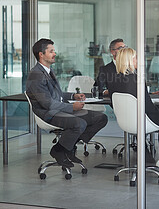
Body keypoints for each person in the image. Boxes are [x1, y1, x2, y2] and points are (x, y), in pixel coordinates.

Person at [26, 38, 108, 168]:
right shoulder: (36, 74)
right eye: (51, 51)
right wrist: (71, 107)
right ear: (41, 55)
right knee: (79, 123)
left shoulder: (48, 71)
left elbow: (56, 95)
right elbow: (47, 103)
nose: (55, 53)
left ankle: (68, 147)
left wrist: (73, 95)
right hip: (48, 113)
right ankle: (59, 150)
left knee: (100, 118)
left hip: (59, 109)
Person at [107, 47, 159, 174]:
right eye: (136, 58)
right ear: (129, 60)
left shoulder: (113, 80)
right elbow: (148, 107)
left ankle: (148, 155)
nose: (139, 60)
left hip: (125, 122)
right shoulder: (137, 79)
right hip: (140, 121)